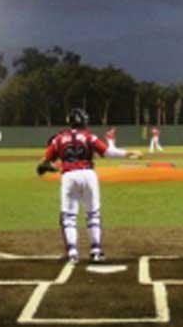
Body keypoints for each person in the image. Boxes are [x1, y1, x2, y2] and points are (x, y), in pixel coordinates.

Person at [37, 108, 142, 263]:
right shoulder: (89, 136)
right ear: (84, 121)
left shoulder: (59, 138)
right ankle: (96, 251)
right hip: (88, 175)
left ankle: (72, 253)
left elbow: (44, 161)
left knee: (68, 217)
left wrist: (49, 168)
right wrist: (129, 153)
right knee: (93, 214)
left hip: (69, 176)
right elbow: (107, 152)